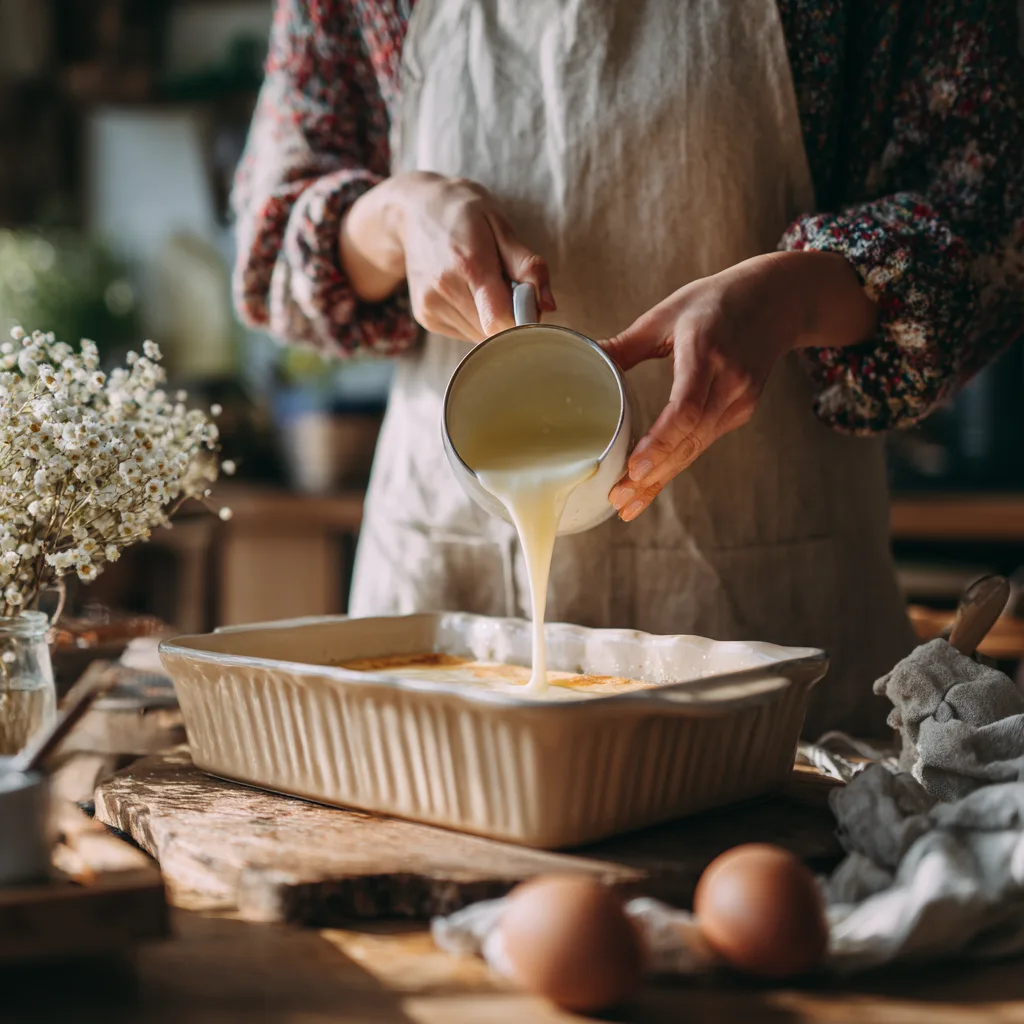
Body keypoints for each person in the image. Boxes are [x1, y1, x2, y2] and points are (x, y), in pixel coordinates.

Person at [232, 0, 1024, 738]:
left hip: (772, 606)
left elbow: (992, 224)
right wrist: (397, 220)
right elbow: (272, 241)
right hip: (450, 575)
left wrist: (794, 298)